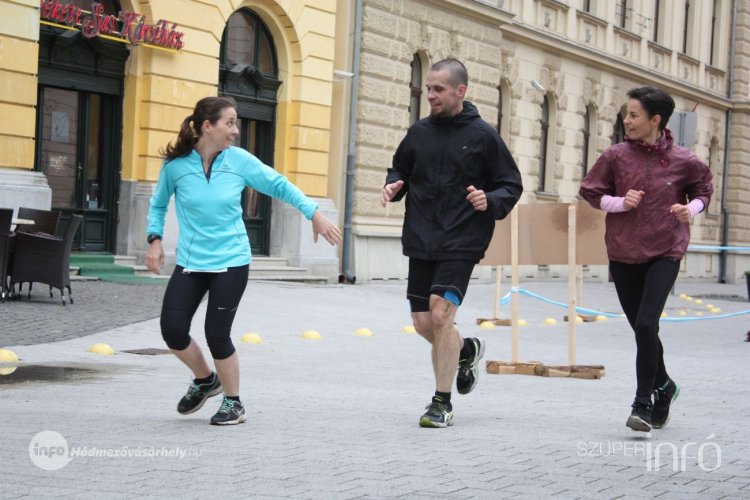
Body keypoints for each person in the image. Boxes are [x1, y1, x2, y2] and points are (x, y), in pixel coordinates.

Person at [146, 96, 342, 425]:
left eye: (235, 123)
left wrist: (314, 214)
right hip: (192, 262)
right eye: (230, 123)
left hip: (231, 261)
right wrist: (154, 240)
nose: (235, 130)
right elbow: (157, 204)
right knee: (173, 329)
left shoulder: (239, 161)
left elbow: (278, 184)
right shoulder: (176, 167)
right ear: (207, 127)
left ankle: (234, 403)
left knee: (216, 333)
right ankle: (205, 379)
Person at [382, 59, 523, 428]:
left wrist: (489, 201)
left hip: (463, 237)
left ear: (460, 91)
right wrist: (394, 185)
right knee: (422, 322)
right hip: (421, 237)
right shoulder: (419, 132)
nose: (430, 95)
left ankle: (441, 402)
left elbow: (510, 184)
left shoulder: (483, 135)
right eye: (428, 88)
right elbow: (399, 168)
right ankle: (467, 349)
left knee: (442, 315)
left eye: (438, 89)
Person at [580, 86, 713, 432]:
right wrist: (619, 203)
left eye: (634, 114)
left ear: (655, 120)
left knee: (645, 324)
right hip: (623, 251)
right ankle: (665, 385)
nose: (627, 120)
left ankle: (642, 404)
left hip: (666, 249)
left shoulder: (686, 160)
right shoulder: (616, 155)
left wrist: (691, 209)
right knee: (643, 330)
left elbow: (703, 190)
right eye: (628, 113)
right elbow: (590, 191)